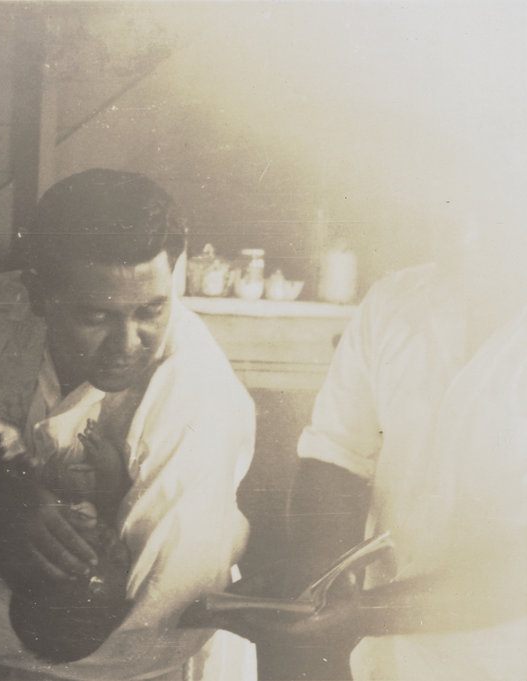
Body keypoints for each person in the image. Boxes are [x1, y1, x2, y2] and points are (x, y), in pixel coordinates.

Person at [0, 169, 257, 680]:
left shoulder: (193, 385)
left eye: (151, 310)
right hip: (4, 645)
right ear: (37, 292)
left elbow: (163, 605)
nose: (129, 342)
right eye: (96, 317)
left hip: (151, 661)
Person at [219, 211, 527, 680]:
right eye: (462, 212)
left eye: (496, 217)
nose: (469, 237)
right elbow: (335, 457)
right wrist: (318, 581)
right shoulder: (397, 301)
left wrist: (363, 612)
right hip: (384, 661)